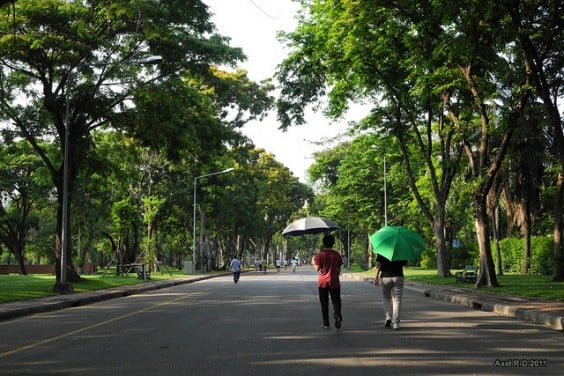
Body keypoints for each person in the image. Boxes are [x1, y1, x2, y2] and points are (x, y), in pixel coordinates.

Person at [312, 234, 343, 329]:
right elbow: (339, 268)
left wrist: (313, 261)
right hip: (334, 281)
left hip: (323, 282)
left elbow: (317, 268)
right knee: (336, 301)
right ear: (333, 243)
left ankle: (326, 323)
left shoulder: (320, 254)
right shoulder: (336, 254)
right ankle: (337, 313)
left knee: (324, 303)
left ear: (323, 243)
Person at [373, 254, 407, 330]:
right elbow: (405, 264)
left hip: (385, 277)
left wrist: (376, 278)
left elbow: (378, 265)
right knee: (397, 300)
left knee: (386, 297)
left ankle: (388, 317)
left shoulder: (382, 250)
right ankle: (396, 323)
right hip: (398, 276)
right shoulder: (401, 250)